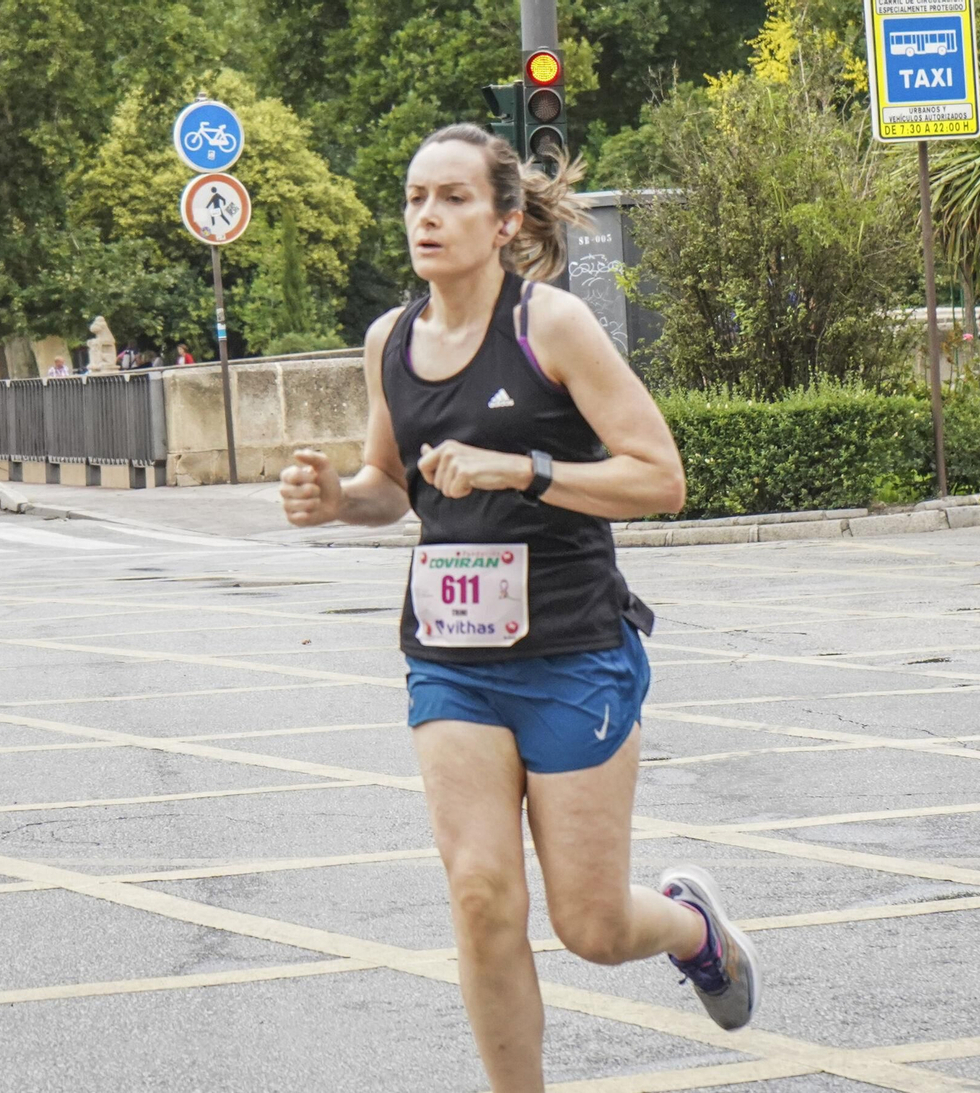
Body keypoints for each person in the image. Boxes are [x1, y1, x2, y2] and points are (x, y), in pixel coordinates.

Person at [278, 124, 761, 1093]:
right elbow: (390, 482)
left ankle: (693, 926)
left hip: (574, 649)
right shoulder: (390, 342)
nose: (427, 215)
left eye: (453, 197)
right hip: (452, 659)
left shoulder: (552, 328)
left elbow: (660, 478)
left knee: (592, 926)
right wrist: (340, 501)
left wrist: (523, 469)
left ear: (503, 221)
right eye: (415, 197)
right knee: (481, 897)